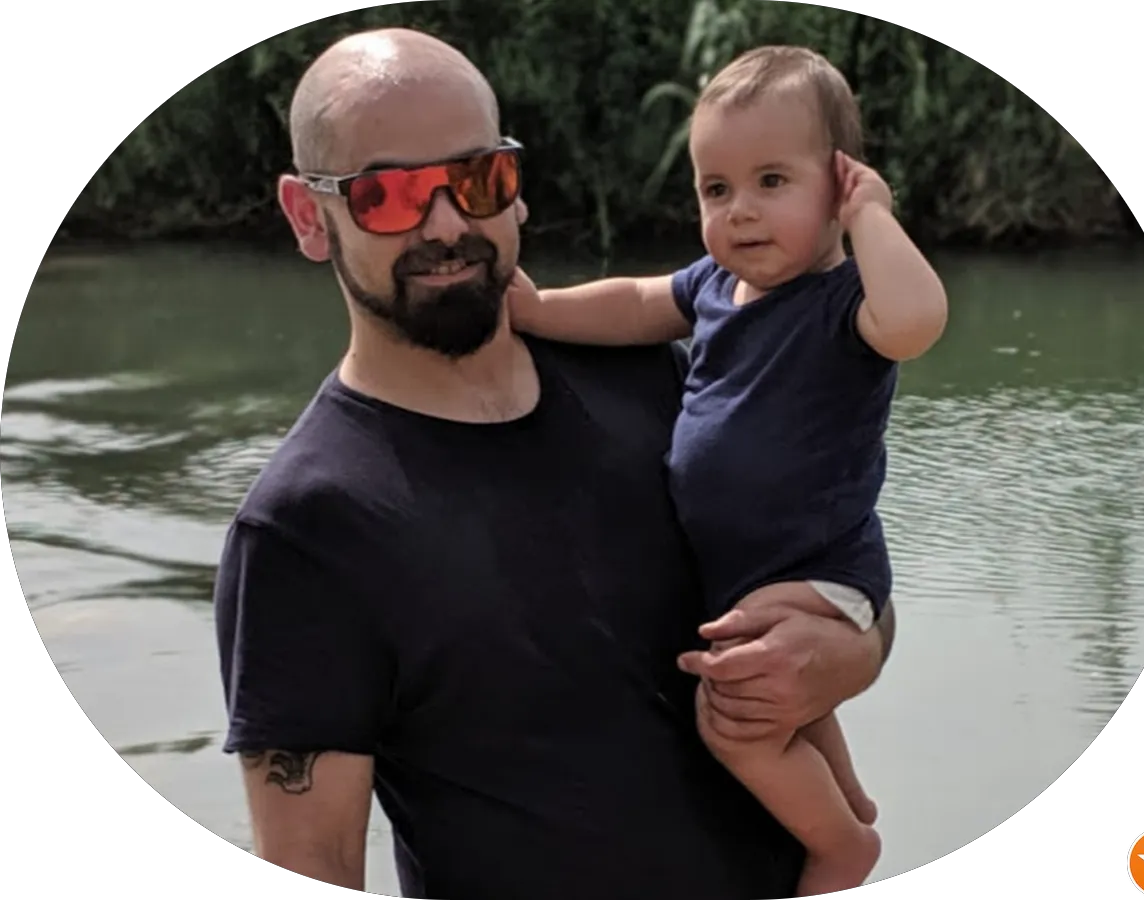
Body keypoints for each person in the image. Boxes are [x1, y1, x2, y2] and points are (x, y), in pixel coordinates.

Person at [212, 28, 897, 900]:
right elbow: (313, 862)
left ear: (515, 186)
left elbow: (836, 566)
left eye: (477, 179)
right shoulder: (305, 528)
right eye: (388, 194)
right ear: (311, 216)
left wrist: (851, 652)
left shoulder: (656, 380)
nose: (447, 224)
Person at [506, 45, 947, 896]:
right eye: (716, 189)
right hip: (748, 567)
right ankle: (846, 799)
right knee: (777, 695)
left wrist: (872, 217)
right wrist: (537, 309)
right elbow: (638, 303)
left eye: (772, 182)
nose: (740, 211)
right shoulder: (715, 284)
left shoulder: (845, 305)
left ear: (840, 183)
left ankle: (840, 848)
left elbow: (918, 321)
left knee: (734, 718)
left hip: (818, 568)